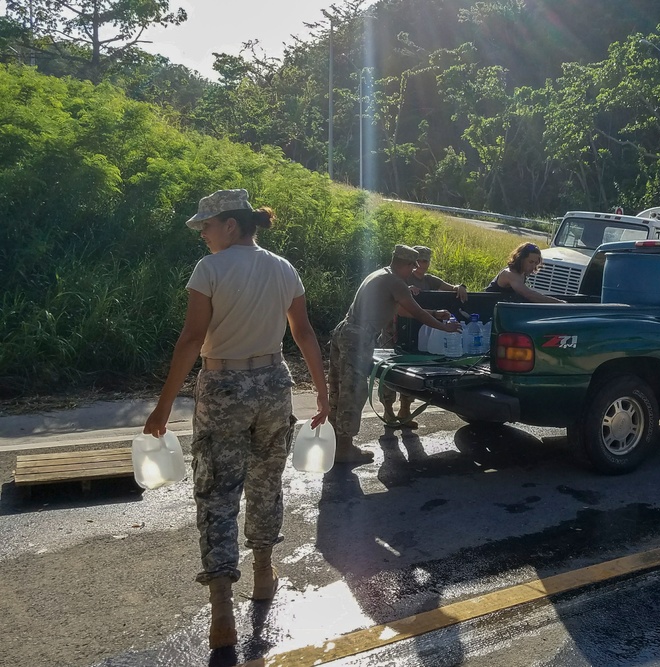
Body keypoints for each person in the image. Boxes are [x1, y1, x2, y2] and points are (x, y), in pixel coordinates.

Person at [143, 189, 330, 650]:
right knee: (266, 481)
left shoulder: (211, 269)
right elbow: (303, 333)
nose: (202, 234)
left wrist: (164, 405)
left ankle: (223, 608)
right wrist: (323, 395)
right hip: (273, 385)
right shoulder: (283, 267)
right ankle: (263, 573)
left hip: (223, 388)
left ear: (230, 225)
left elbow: (191, 339)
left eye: (206, 225)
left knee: (217, 492)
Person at [329, 244, 461, 459]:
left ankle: (336, 441)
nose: (413, 271)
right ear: (408, 264)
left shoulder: (381, 274)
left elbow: (400, 310)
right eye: (412, 266)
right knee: (353, 391)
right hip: (358, 337)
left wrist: (436, 313)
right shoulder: (395, 282)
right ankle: (344, 448)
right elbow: (416, 312)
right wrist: (445, 327)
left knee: (338, 386)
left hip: (345, 331)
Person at [379, 245, 467, 428]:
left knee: (411, 373)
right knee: (387, 373)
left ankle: (405, 410)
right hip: (394, 330)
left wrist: (460, 287)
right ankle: (388, 410)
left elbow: (452, 288)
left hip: (417, 332)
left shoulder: (430, 281)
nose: (421, 265)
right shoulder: (402, 277)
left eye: (425, 261)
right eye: (418, 261)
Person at [485, 242, 565, 303]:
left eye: (536, 263)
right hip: (487, 309)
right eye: (531, 262)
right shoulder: (510, 274)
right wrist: (560, 303)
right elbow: (529, 295)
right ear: (520, 259)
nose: (533, 266)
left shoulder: (522, 273)